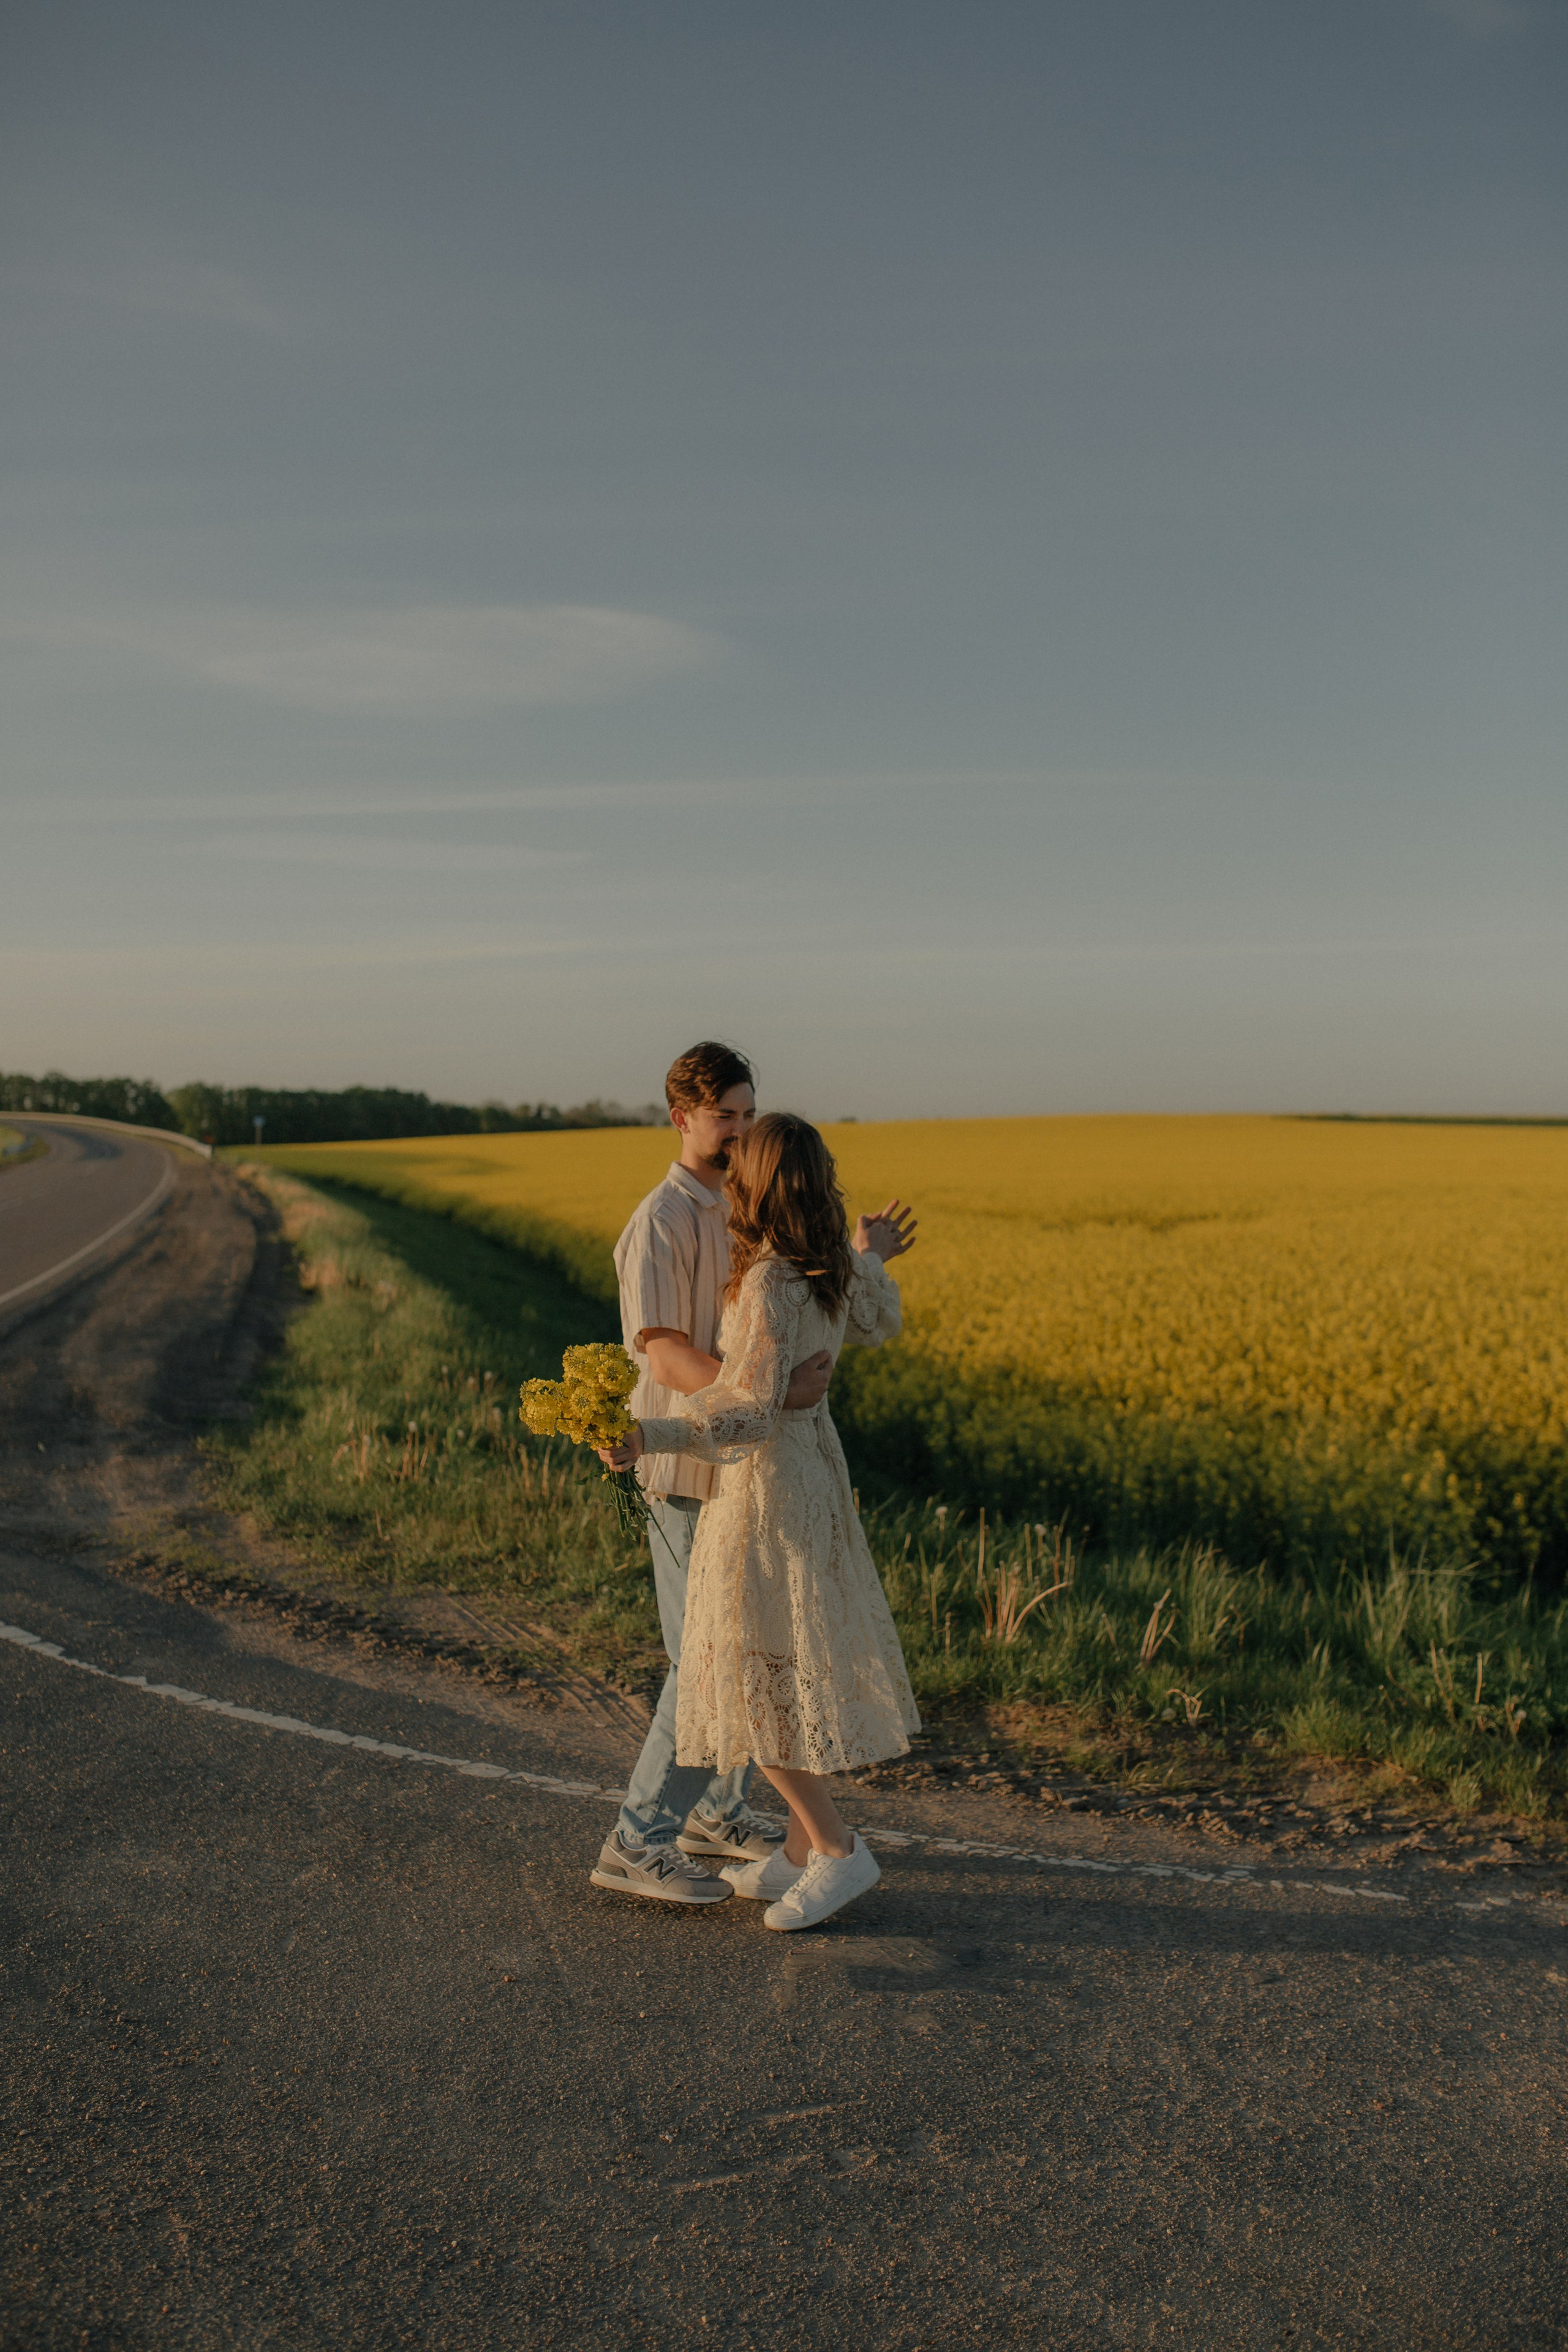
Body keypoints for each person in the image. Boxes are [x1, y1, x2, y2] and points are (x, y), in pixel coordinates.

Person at [602, 1111, 919, 1932]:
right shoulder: (826, 1271)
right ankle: (799, 1853)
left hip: (765, 1495)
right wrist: (870, 1252)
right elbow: (879, 1320)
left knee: (752, 1676)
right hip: (814, 1479)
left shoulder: (771, 1280)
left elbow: (744, 1414)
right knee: (781, 1663)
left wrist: (651, 1436)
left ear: (758, 1187)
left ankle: (837, 1847)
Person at [590, 1044, 836, 1907]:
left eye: (746, 1112)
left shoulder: (742, 1207)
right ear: (681, 1118)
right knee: (702, 1664)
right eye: (724, 1114)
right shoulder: (661, 1220)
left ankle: (722, 1815)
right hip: (686, 1467)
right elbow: (659, 1345)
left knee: (742, 1650)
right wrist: (755, 1394)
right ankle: (639, 1839)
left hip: (741, 1464)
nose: (738, 1129)